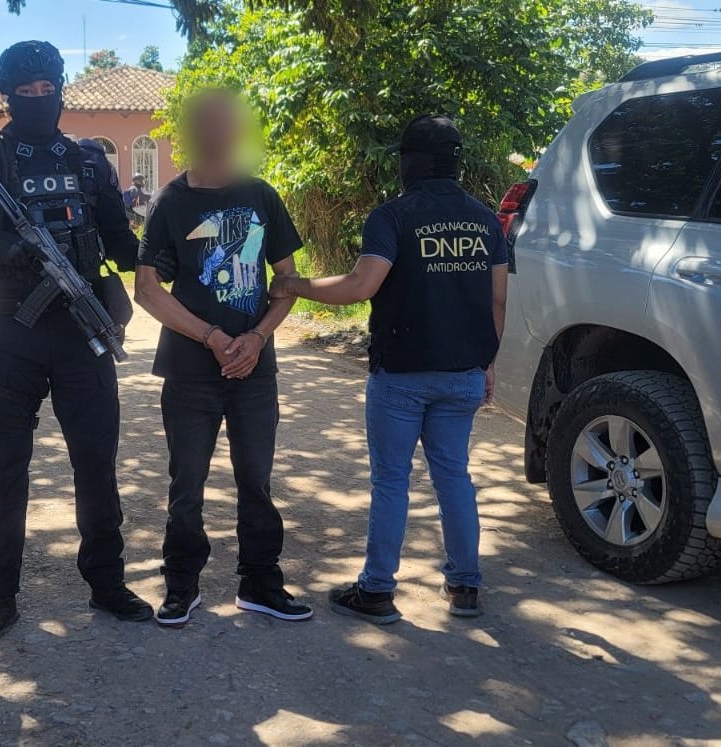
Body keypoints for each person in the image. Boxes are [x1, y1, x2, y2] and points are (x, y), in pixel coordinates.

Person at [0, 41, 153, 643]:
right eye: (24, 92)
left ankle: (107, 583)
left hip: (82, 331)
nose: (37, 98)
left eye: (46, 88)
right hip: (13, 331)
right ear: (6, 96)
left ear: (61, 90)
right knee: (6, 468)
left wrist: (169, 256)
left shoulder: (88, 162)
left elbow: (122, 243)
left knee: (95, 462)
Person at [271, 114, 508, 623]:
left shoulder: (393, 216)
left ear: (409, 162)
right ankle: (465, 585)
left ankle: (377, 591)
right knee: (454, 476)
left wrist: (295, 285)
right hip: (463, 373)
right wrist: (486, 362)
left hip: (401, 374)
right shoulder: (486, 221)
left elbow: (361, 285)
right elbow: (497, 301)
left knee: (392, 481)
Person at [135, 88, 312, 628]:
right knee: (186, 486)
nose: (215, 133)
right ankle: (181, 585)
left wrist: (257, 337)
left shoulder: (261, 196)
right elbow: (147, 289)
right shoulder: (170, 202)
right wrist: (211, 336)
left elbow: (287, 280)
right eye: (205, 123)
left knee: (256, 481)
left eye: (224, 123)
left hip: (255, 371)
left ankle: (260, 582)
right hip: (190, 373)